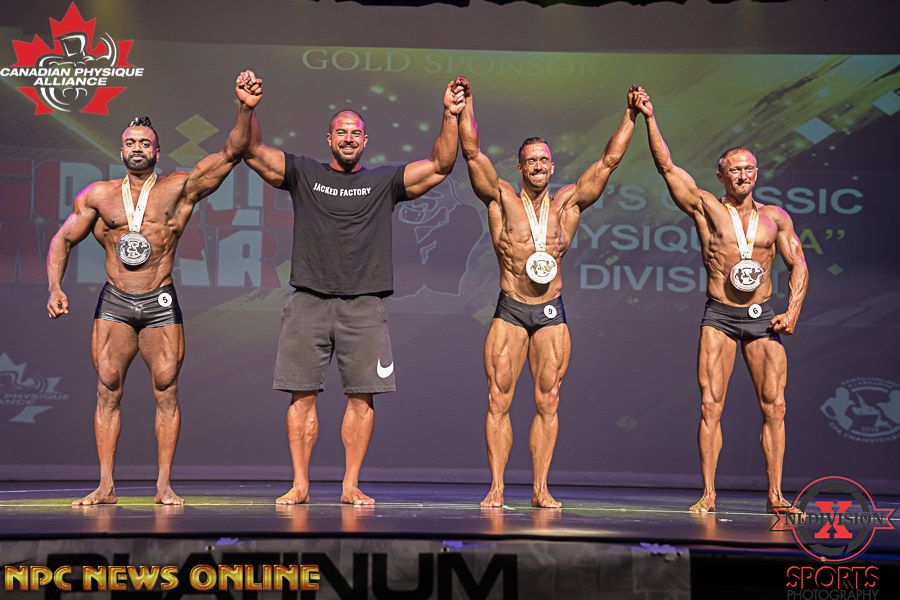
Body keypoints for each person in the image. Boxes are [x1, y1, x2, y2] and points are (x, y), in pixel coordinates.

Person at [241, 72, 466, 505]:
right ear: (329, 138)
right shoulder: (304, 174)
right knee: (301, 397)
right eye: (341, 132)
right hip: (309, 300)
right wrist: (247, 108)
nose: (348, 138)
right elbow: (250, 150)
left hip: (364, 305)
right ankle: (300, 485)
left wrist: (449, 115)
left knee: (362, 399)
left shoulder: (384, 182)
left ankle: (350, 485)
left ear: (365, 141)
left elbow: (441, 165)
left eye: (355, 133)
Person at [46, 71, 263, 506]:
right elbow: (62, 240)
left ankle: (163, 485)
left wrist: (245, 108)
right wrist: (55, 287)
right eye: (131, 143)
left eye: (145, 143)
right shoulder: (98, 196)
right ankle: (105, 485)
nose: (138, 148)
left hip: (160, 299)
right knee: (107, 388)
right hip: (115, 299)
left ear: (157, 151)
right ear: (121, 150)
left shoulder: (179, 188)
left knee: (167, 389)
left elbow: (232, 153)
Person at [457, 78, 641, 508]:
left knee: (549, 400)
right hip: (510, 309)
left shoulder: (569, 204)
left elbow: (609, 161)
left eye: (544, 160)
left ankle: (540, 489)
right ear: (520, 167)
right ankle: (497, 487)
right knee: (498, 399)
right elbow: (472, 153)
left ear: (552, 167)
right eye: (530, 161)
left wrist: (630, 115)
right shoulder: (501, 198)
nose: (538, 166)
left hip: (550, 312)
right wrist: (466, 107)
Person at [632, 86, 808, 513]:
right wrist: (650, 118)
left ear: (757, 172)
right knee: (711, 404)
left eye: (748, 169)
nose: (743, 176)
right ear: (721, 176)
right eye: (734, 170)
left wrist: (792, 312)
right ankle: (709, 494)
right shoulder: (706, 208)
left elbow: (799, 265)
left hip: (762, 316)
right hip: (720, 317)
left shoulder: (776, 218)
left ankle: (776, 495)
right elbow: (667, 166)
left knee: (776, 406)